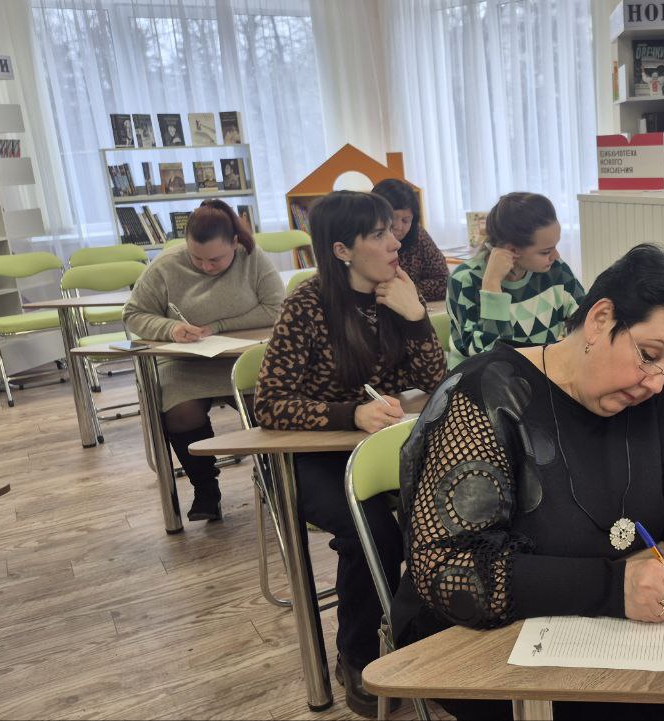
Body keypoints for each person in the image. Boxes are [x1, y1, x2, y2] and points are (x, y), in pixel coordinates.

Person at [394, 244, 664, 720]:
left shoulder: (644, 396)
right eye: (649, 356)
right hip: (484, 644)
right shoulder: (484, 397)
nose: (656, 382)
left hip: (603, 630)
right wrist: (612, 589)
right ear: (599, 320)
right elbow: (451, 570)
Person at [253, 190, 446, 717]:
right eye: (379, 235)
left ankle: (421, 636)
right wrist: (350, 414)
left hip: (377, 452)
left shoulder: (395, 295)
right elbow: (269, 403)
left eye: (393, 230)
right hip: (310, 458)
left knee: (443, 516)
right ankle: (357, 656)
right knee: (374, 535)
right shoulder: (307, 304)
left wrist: (416, 317)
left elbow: (437, 382)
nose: (395, 242)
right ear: (342, 250)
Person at [123, 199, 283, 521]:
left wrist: (219, 326)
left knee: (267, 404)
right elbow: (134, 314)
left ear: (234, 244)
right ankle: (205, 488)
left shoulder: (252, 258)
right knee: (180, 412)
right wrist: (170, 328)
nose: (206, 267)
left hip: (242, 357)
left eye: (215, 260)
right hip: (185, 361)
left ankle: (274, 478)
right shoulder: (166, 266)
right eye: (197, 258)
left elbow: (277, 308)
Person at [446, 191, 586, 367]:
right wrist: (492, 286)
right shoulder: (465, 280)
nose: (556, 256)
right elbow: (488, 356)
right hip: (479, 377)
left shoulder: (555, 269)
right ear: (512, 250)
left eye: (555, 247)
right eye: (546, 252)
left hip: (536, 374)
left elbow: (587, 320)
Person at [370, 178, 448, 302]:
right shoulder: (365, 240)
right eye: (392, 218)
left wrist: (407, 291)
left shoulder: (418, 235)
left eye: (406, 220)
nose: (398, 227)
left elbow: (444, 281)